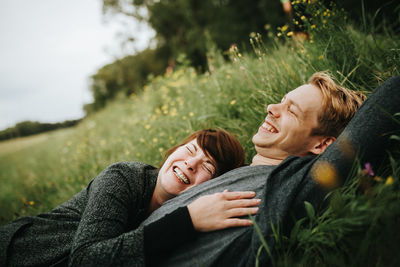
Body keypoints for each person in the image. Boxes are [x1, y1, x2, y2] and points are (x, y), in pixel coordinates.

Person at [142, 72, 400, 266]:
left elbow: (390, 97)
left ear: (323, 144)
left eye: (292, 111)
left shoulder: (293, 185)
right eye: (281, 101)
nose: (271, 109)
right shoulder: (225, 172)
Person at [0, 129, 258, 266]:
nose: (191, 164)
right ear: (173, 151)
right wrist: (188, 220)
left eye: (208, 167)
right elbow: (85, 260)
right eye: (190, 150)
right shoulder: (124, 177)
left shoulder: (180, 209)